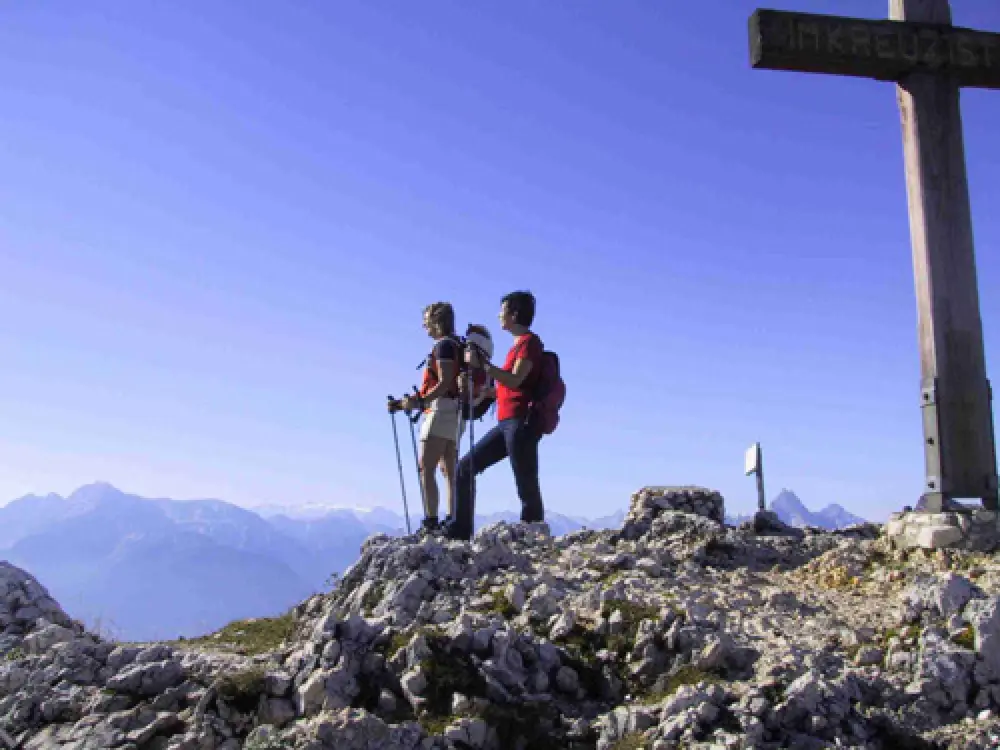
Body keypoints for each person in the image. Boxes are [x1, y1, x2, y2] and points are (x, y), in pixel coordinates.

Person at [445, 291, 545, 542]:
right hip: (507, 421)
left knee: (526, 483)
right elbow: (511, 385)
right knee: (465, 468)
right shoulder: (518, 344)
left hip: (520, 422)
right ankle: (460, 532)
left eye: (502, 310)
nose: (499, 315)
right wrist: (484, 391)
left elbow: (516, 379)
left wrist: (484, 366)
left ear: (513, 314)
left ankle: (534, 537)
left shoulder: (529, 343)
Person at [394, 302, 462, 535]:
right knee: (449, 470)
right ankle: (453, 520)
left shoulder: (443, 346)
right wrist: (411, 401)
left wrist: (421, 402)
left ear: (436, 321)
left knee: (427, 467)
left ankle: (431, 521)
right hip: (456, 412)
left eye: (426, 322)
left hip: (439, 410)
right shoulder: (458, 345)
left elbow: (443, 383)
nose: (424, 327)